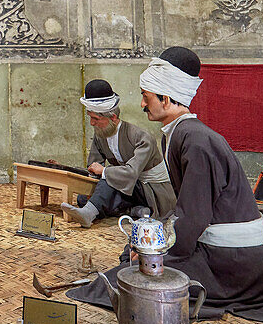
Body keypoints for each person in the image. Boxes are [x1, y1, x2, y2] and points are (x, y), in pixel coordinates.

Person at [69, 47, 263, 323]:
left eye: (146, 97)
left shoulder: (196, 141)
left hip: (237, 265)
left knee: (129, 274)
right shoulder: (178, 135)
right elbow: (185, 209)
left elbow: (193, 216)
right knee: (132, 259)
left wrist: (157, 252)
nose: (142, 104)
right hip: (226, 257)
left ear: (165, 99)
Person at [59, 79, 176, 227]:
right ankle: (135, 211)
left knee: (107, 182)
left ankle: (89, 214)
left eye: (95, 118)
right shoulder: (100, 134)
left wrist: (104, 171)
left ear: (112, 118)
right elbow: (94, 166)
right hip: (127, 187)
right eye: (90, 118)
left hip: (150, 190)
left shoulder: (141, 137)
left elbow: (130, 173)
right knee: (84, 197)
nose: (92, 123)